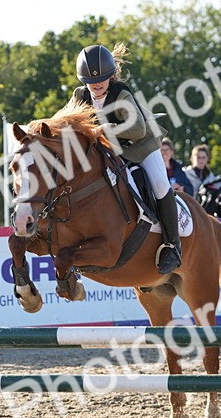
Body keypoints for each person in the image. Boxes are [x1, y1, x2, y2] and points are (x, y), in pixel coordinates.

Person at [68, 43, 181, 274]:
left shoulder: (121, 94)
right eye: (90, 80)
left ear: (111, 76)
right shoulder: (80, 96)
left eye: (101, 79)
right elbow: (65, 121)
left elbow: (137, 129)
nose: (96, 85)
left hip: (141, 146)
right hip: (110, 151)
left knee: (160, 185)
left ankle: (172, 245)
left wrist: (103, 130)